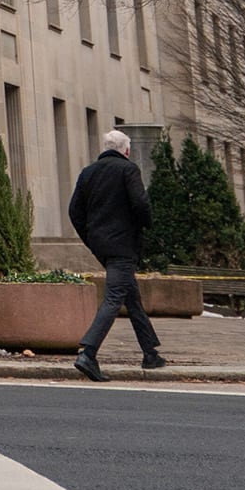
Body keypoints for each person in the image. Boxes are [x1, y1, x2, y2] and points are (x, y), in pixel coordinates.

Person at [67, 128, 165, 381]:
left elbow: (74, 211)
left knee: (131, 297)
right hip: (123, 245)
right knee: (114, 297)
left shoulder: (88, 173)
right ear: (127, 150)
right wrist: (148, 225)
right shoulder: (128, 170)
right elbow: (141, 203)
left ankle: (150, 353)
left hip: (102, 245)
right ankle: (88, 353)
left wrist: (91, 239)